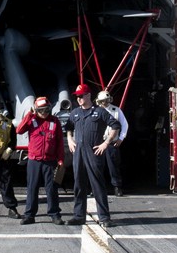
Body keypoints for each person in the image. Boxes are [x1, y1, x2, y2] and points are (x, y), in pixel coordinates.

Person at [65, 84, 120, 227]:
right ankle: (78, 216)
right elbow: (68, 128)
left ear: (88, 95)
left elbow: (115, 125)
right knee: (78, 184)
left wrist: (106, 143)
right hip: (79, 154)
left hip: (93, 152)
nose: (79, 99)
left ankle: (104, 218)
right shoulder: (75, 113)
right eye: (77, 96)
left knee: (97, 184)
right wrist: (70, 139)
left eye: (81, 95)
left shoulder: (100, 112)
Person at [15, 96, 65, 225]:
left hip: (50, 160)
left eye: (46, 110)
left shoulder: (55, 121)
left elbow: (59, 141)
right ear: (36, 110)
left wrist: (60, 159)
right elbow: (19, 130)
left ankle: (54, 214)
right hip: (34, 160)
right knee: (32, 188)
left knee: (52, 188)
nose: (44, 113)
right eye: (41, 110)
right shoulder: (31, 120)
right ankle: (29, 215)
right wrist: (29, 114)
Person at [96, 90, 129, 196]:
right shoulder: (95, 111)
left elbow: (124, 124)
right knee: (97, 166)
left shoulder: (116, 110)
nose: (104, 103)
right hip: (99, 142)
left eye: (106, 101)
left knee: (113, 166)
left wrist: (121, 138)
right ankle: (96, 188)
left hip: (112, 143)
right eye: (102, 101)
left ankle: (117, 187)